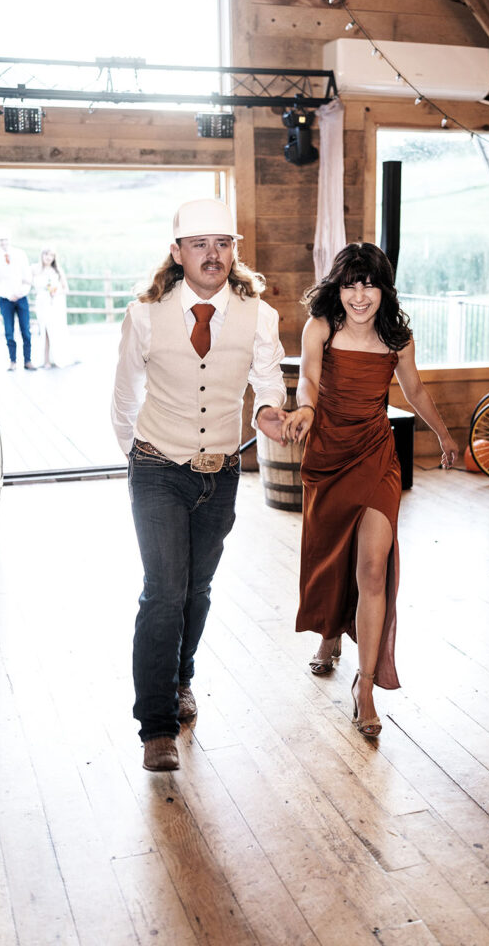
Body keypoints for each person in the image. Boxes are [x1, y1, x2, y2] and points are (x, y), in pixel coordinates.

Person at [111, 198, 287, 772]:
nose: (213, 254)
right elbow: (125, 395)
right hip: (156, 467)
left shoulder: (259, 315)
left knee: (198, 590)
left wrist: (267, 409)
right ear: (177, 252)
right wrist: (139, 458)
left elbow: (268, 381)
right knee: (164, 591)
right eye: (200, 244)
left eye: (223, 243)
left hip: (222, 472)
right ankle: (156, 726)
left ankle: (182, 678)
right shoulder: (144, 315)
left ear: (234, 250)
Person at [282, 242, 458, 739]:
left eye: (370, 285)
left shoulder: (397, 337)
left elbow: (415, 390)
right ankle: (330, 634)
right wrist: (306, 408)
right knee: (331, 556)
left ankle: (365, 687)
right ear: (337, 289)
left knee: (373, 570)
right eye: (350, 285)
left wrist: (445, 435)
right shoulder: (321, 327)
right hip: (329, 456)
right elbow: (308, 379)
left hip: (377, 456)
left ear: (384, 289)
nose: (360, 296)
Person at [0, 230, 36, 371]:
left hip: (21, 297)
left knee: (26, 330)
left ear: (9, 240)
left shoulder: (20, 254)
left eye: (5, 239)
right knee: (9, 331)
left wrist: (21, 292)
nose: (3, 242)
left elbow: (27, 275)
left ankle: (28, 360)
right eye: (0, 240)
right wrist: (8, 294)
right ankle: (12, 361)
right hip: (5, 299)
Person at [34, 248, 73, 367]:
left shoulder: (57, 271)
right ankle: (46, 360)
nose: (48, 257)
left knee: (55, 330)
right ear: (42, 255)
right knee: (44, 329)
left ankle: (57, 357)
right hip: (42, 303)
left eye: (51, 255)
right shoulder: (36, 270)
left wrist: (56, 292)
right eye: (46, 254)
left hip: (55, 303)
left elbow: (66, 289)